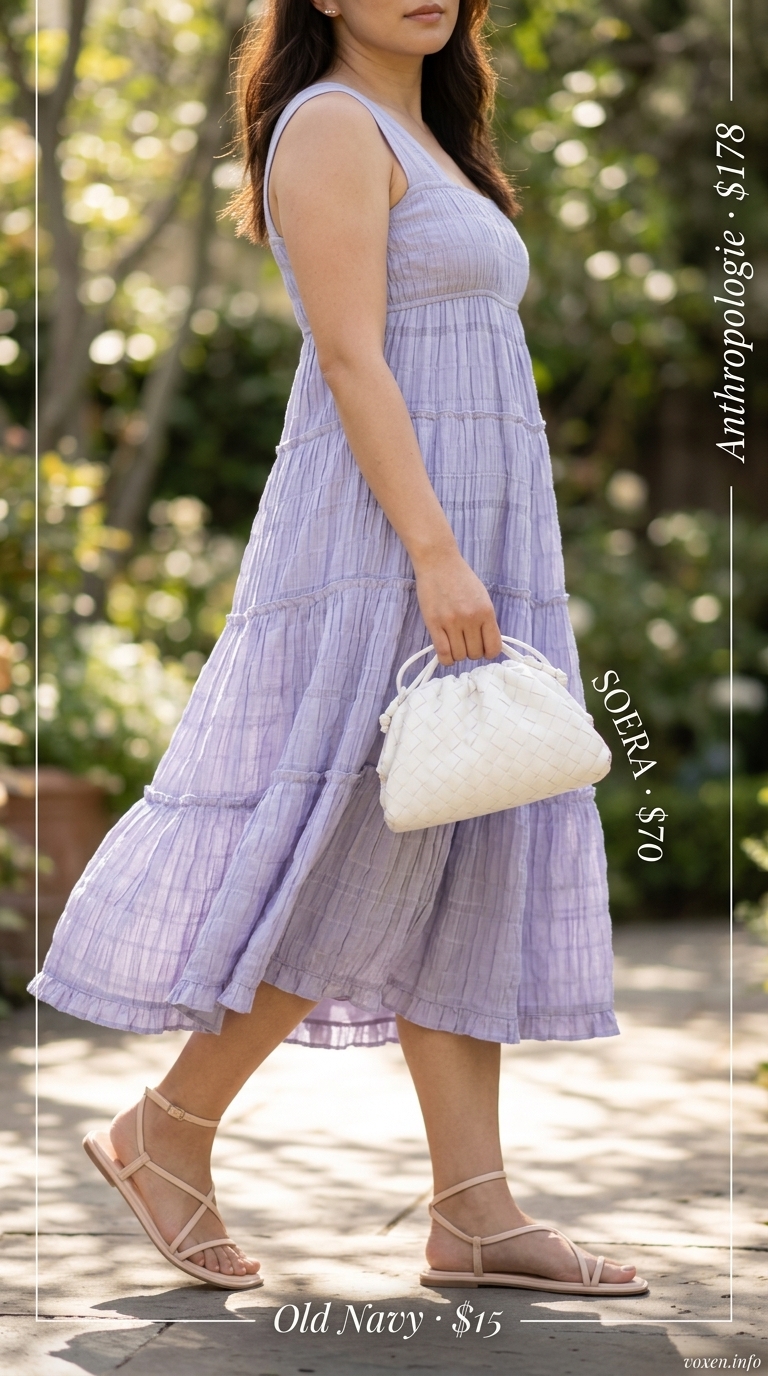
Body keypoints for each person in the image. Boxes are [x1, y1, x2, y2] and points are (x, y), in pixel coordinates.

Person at [31, 0, 647, 1296]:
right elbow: (354, 356)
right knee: (351, 850)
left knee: (464, 840)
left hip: (469, 539)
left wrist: (471, 548)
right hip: (384, 550)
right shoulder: (326, 123)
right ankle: (167, 1130)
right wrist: (431, 550)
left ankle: (473, 1211)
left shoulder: (439, 141)